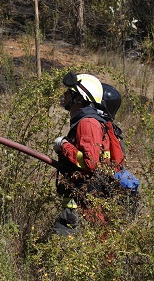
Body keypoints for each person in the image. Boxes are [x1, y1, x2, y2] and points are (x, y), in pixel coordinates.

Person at [52, 72, 125, 236]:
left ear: (79, 98)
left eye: (70, 92)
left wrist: (64, 145)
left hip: (83, 203)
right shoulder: (88, 121)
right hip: (82, 202)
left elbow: (90, 162)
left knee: (63, 248)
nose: (65, 95)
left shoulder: (87, 123)